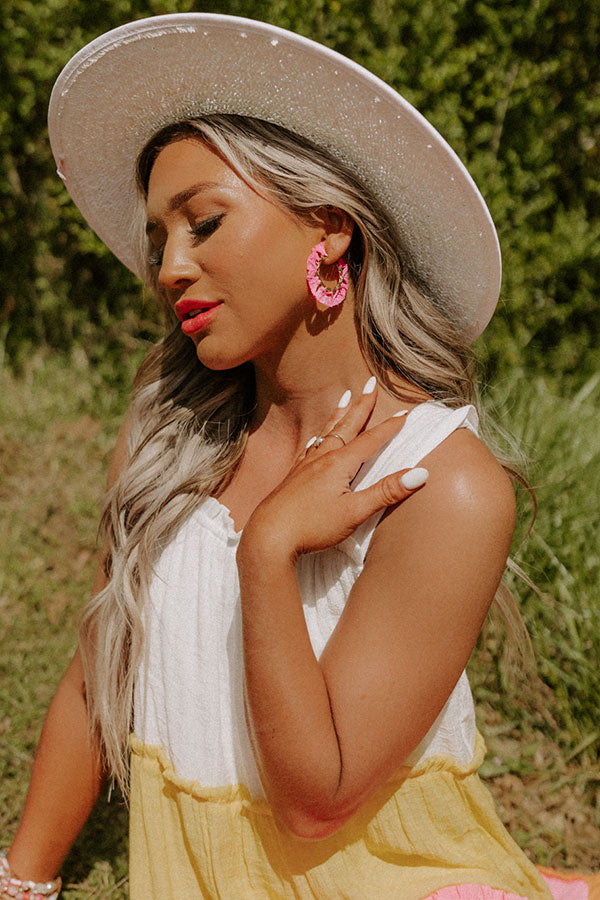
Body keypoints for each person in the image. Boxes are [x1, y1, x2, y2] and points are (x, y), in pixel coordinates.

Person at [2, 13, 598, 900]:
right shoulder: (168, 434)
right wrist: (24, 882)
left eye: (203, 222)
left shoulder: (448, 485)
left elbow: (316, 803)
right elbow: (103, 665)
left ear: (329, 227)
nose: (169, 266)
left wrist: (268, 550)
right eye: (159, 238)